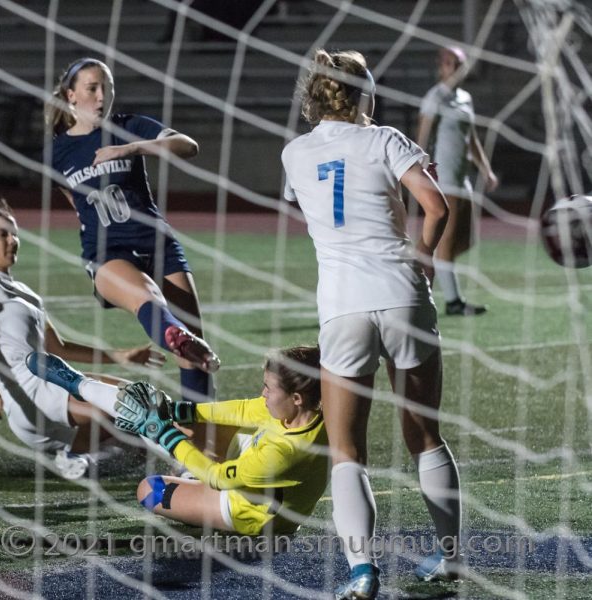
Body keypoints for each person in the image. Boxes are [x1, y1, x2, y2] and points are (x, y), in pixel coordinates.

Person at [281, 50, 462, 599]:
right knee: (424, 435)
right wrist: (424, 256)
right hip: (402, 292)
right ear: (364, 96)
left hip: (343, 304)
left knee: (346, 449)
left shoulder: (294, 153)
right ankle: (450, 558)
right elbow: (436, 206)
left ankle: (362, 574)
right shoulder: (387, 139)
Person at [45, 57, 219, 408]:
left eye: (106, 88)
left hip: (158, 243)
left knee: (195, 356)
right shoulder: (57, 153)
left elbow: (188, 145)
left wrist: (131, 147)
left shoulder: (129, 126)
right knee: (150, 298)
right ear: (71, 95)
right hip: (108, 253)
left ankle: (202, 447)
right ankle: (173, 335)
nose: (101, 96)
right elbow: (78, 205)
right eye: (92, 88)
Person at [0, 202, 166, 478]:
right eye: (2, 234)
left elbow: (58, 347)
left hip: (52, 380)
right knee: (107, 409)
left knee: (138, 400)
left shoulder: (26, 292)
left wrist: (120, 356)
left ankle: (84, 463)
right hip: (28, 393)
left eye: (14, 233)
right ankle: (74, 456)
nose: (12, 241)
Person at [25, 346, 328, 536]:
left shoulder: (285, 452)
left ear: (297, 398)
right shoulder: (308, 410)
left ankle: (82, 386)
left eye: (268, 388)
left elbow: (219, 477)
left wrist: (166, 434)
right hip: (253, 473)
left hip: (252, 513)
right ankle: (79, 383)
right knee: (154, 408)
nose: (263, 393)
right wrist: (180, 410)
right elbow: (242, 410)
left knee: (149, 490)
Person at [417, 45, 499, 316]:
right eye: (449, 63)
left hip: (462, 179)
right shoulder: (434, 98)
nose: (454, 68)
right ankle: (451, 302)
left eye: (458, 63)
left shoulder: (464, 98)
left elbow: (471, 138)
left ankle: (431, 289)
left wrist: (485, 170)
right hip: (444, 179)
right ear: (441, 67)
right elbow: (421, 138)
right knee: (447, 243)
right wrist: (422, 172)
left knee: (465, 240)